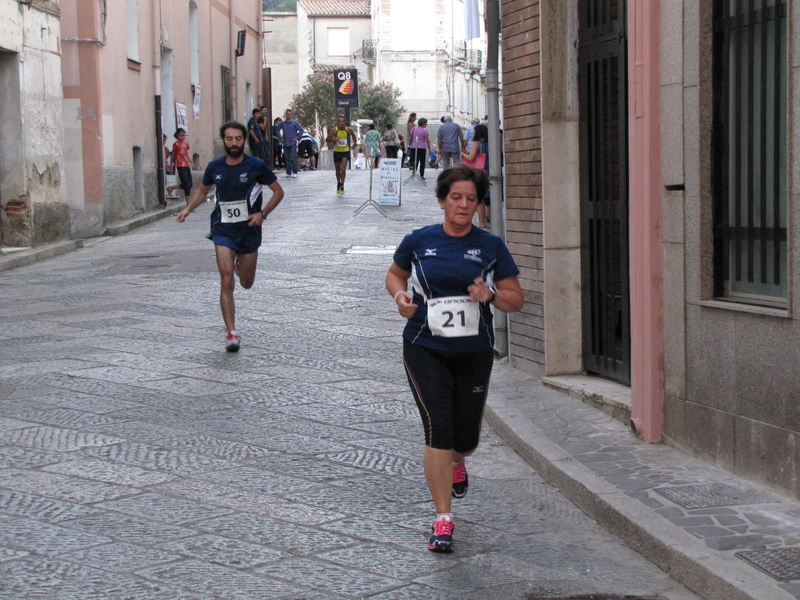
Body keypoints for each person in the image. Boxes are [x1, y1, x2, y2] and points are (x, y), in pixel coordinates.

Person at [385, 165, 524, 553]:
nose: (463, 205)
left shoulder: (491, 246)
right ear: (442, 200)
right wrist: (400, 298)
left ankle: (458, 460)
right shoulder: (418, 241)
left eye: (471, 199)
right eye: (456, 198)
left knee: (465, 436)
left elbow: (516, 298)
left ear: (479, 204)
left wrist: (491, 296)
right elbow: (394, 276)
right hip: (424, 345)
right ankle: (443, 518)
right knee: (438, 427)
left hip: (474, 350)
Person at [175, 122, 284, 352]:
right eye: (229, 139)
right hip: (222, 229)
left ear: (244, 140)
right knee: (226, 280)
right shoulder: (214, 167)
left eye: (237, 139)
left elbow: (278, 192)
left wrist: (263, 214)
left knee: (246, 283)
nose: (233, 143)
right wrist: (187, 209)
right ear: (223, 140)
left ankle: (239, 266)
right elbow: (202, 191)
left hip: (249, 230)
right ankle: (231, 333)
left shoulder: (256, 166)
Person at [462, 123, 490, 227]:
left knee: (479, 197)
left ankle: (481, 221)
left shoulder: (476, 142)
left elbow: (471, 157)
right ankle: (488, 216)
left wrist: (463, 154)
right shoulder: (489, 142)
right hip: (489, 169)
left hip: (479, 171)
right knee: (488, 196)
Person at [326, 115, 357, 194]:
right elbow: (327, 139)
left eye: (343, 121)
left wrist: (355, 144)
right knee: (337, 170)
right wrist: (334, 139)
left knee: (343, 169)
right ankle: (338, 183)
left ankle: (342, 184)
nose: (341, 123)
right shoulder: (334, 130)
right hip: (337, 151)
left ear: (345, 122)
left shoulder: (348, 130)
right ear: (337, 122)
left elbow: (353, 136)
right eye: (339, 121)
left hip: (345, 151)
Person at [166, 128, 194, 203]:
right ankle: (189, 204)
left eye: (183, 135)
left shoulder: (186, 143)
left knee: (190, 184)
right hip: (180, 165)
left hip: (186, 164)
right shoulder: (176, 144)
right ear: (177, 136)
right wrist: (172, 166)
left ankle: (171, 188)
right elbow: (173, 155)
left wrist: (191, 162)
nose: (182, 137)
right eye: (180, 136)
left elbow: (186, 154)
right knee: (187, 184)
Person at [280, 109, 304, 178]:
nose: (288, 115)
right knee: (287, 158)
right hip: (285, 143)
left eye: (290, 113)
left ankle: (295, 172)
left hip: (292, 143)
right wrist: (280, 138)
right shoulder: (283, 123)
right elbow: (277, 129)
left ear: (291, 115)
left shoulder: (294, 123)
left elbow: (301, 130)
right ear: (286, 114)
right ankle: (288, 172)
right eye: (287, 113)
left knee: (293, 158)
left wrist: (297, 137)